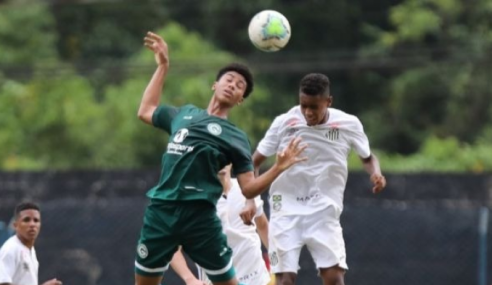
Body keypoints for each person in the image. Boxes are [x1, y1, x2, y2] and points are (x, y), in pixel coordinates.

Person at [134, 31, 307, 285]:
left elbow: (248, 187)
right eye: (229, 79)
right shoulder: (184, 114)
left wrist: (278, 167)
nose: (233, 85)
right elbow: (145, 110)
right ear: (215, 85)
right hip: (161, 209)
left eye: (239, 86)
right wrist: (163, 66)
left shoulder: (235, 137)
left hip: (200, 216)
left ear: (240, 100)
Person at [252, 73, 387, 285]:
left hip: (325, 209)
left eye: (314, 107)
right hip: (285, 209)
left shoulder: (348, 124)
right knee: (284, 280)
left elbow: (368, 158)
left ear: (328, 102)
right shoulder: (284, 122)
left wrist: (376, 173)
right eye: (303, 105)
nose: (308, 112)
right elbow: (255, 161)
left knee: (334, 277)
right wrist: (251, 201)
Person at [171, 164, 271, 285]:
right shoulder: (193, 201)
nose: (221, 162)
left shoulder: (247, 190)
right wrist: (190, 279)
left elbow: (262, 226)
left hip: (258, 279)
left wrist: (280, 264)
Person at [0, 202, 63, 285]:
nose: (32, 224)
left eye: (36, 220)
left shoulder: (30, 250)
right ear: (15, 225)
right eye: (26, 220)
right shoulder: (10, 249)